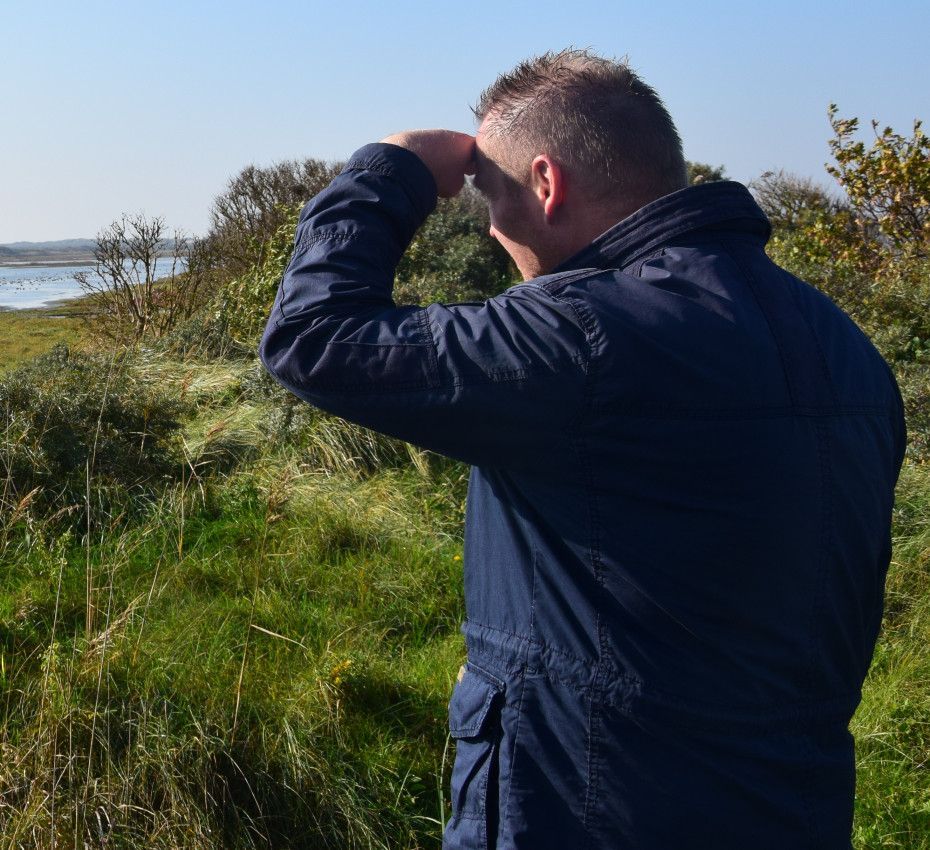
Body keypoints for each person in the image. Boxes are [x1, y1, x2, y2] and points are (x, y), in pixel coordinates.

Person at [259, 49, 906, 849]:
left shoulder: (581, 335)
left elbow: (312, 336)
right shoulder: (843, 346)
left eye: (489, 197)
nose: (492, 227)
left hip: (590, 808)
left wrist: (390, 170)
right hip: (791, 809)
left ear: (545, 185)